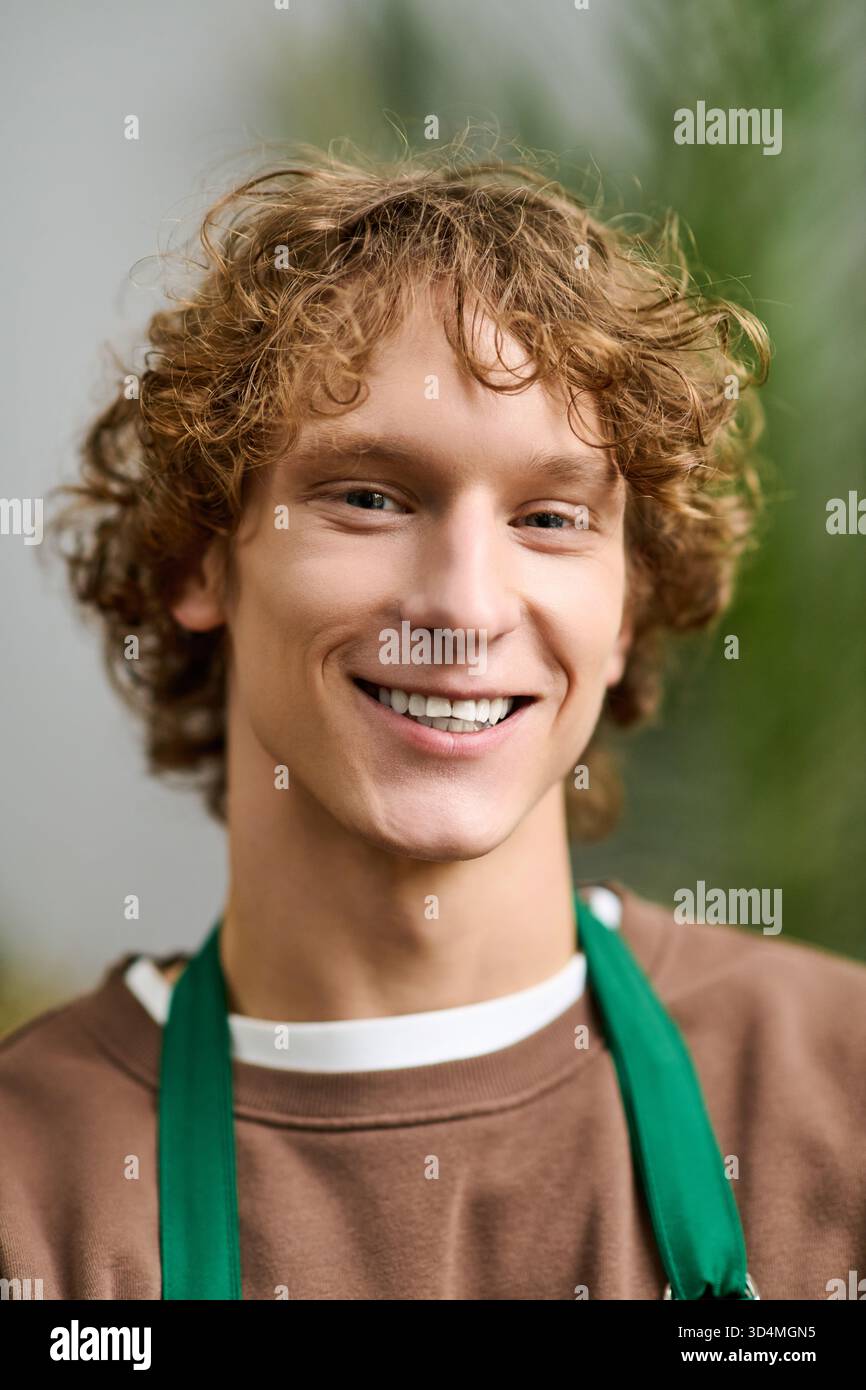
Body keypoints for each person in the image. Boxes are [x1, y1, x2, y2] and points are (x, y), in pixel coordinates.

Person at [2, 140, 864, 1302]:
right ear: (200, 559)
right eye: (368, 496)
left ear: (625, 609)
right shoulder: (30, 1192)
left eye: (551, 518)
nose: (461, 605)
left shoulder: (839, 1084)